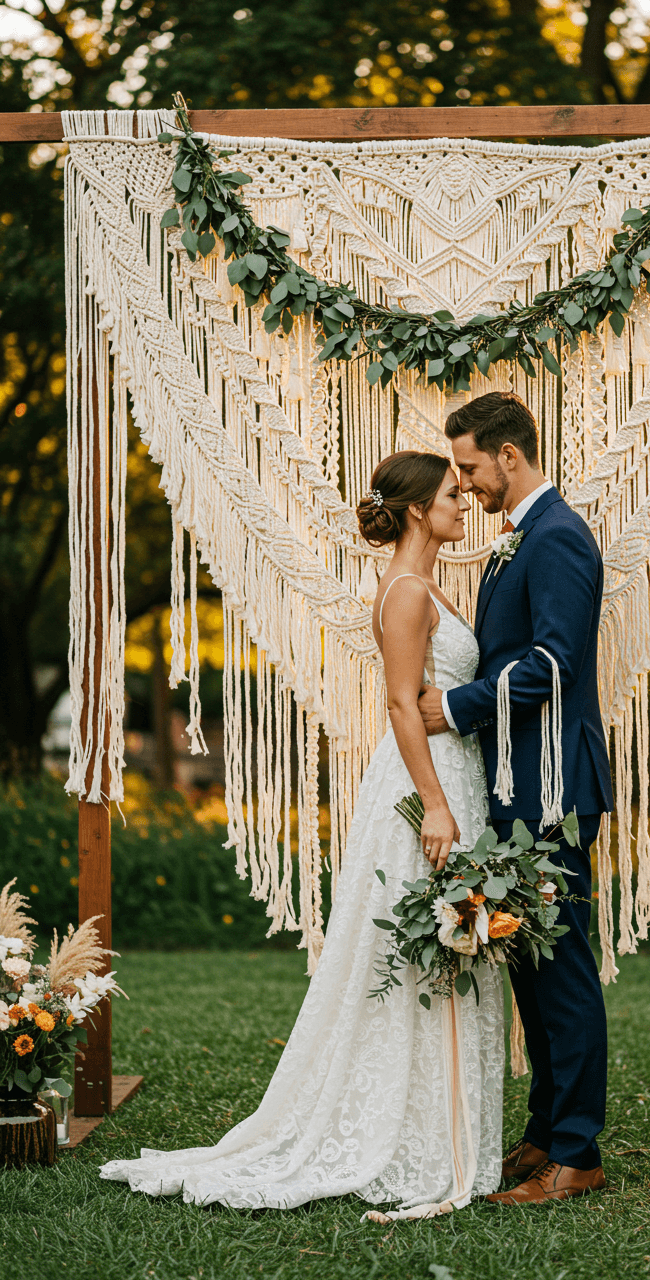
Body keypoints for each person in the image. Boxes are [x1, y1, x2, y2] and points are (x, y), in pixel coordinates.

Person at [99, 451, 504, 1218]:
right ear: (418, 510)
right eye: (453, 494)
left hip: (453, 774)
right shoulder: (408, 593)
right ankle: (418, 1137)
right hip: (427, 786)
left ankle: (449, 1132)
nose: (464, 504)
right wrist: (437, 805)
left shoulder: (430, 585)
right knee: (423, 951)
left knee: (449, 947)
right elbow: (396, 702)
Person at [418, 390, 612, 1205]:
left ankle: (579, 1153)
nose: (464, 486)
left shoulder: (560, 537)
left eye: (469, 468)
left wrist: (456, 707)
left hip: (553, 786)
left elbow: (554, 661)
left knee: (562, 970)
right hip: (516, 784)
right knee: (531, 964)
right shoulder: (517, 540)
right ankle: (543, 1134)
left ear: (509, 453)